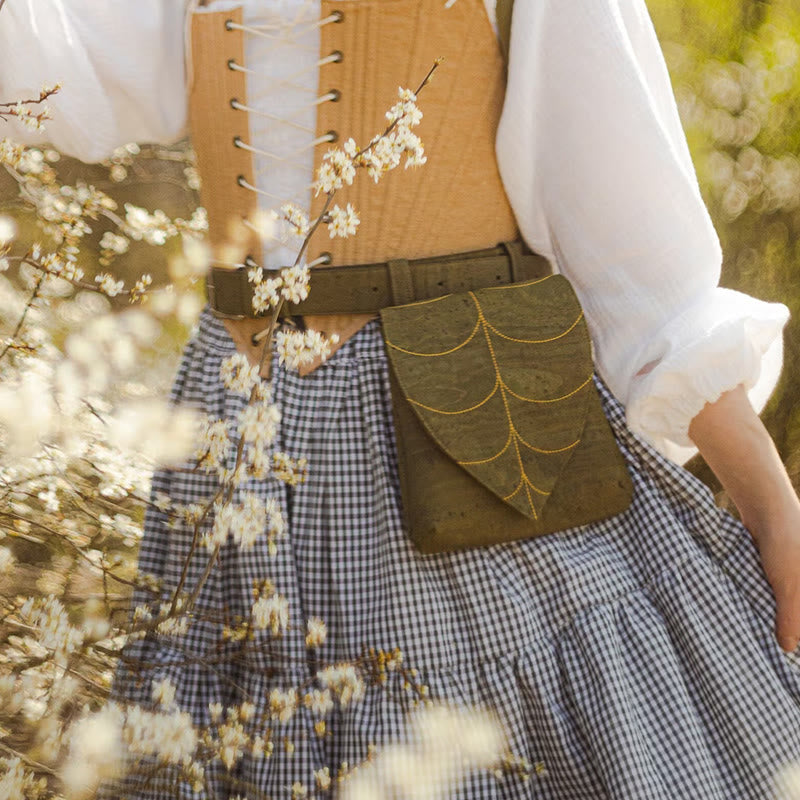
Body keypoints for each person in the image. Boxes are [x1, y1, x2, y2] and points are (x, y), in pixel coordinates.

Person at [2, 0, 800, 798]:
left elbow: (635, 254)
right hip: (242, 425)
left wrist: (771, 506)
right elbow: (53, 69)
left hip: (460, 429)